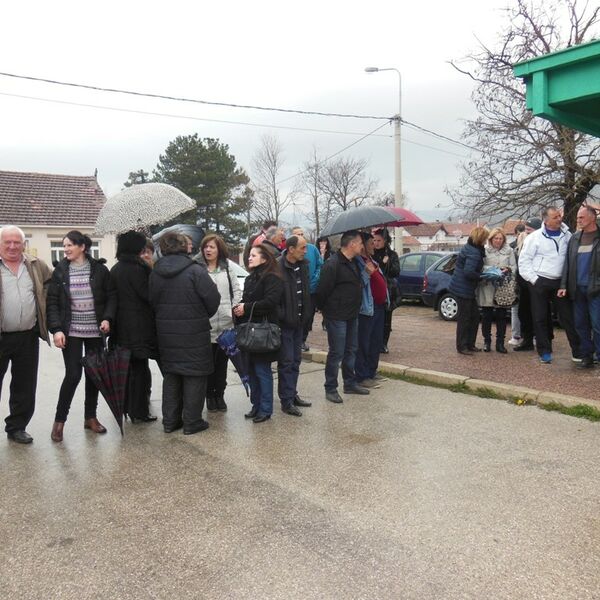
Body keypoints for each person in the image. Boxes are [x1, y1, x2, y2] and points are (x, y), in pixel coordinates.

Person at [47, 231, 116, 442]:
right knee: (73, 375)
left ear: (82, 247)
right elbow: (52, 302)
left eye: (69, 245)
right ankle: (59, 422)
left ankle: (90, 417)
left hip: (95, 331)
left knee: (93, 375)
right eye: (64, 245)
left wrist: (107, 318)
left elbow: (111, 297)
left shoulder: (100, 270)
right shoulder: (60, 271)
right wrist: (56, 329)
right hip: (71, 331)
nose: (65, 249)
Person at [149, 232, 220, 434]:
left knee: (171, 375)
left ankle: (170, 421)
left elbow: (152, 302)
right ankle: (192, 421)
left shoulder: (155, 273)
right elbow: (213, 300)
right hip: (194, 333)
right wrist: (200, 315)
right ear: (183, 247)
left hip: (166, 334)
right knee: (195, 375)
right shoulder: (195, 271)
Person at [0, 226, 52, 444]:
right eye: (7, 242)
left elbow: (52, 285)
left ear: (24, 244)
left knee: (25, 385)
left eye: (17, 242)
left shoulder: (36, 265)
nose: (12, 246)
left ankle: (17, 427)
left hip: (27, 336)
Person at [518, 207, 580, 364]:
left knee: (567, 317)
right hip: (540, 281)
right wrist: (534, 280)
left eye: (559, 216)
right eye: (555, 217)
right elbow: (524, 262)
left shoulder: (567, 235)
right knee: (540, 318)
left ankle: (578, 351)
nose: (559, 219)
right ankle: (544, 351)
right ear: (545, 220)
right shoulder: (534, 238)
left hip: (560, 282)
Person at [109, 231, 158, 423]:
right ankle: (139, 411)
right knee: (140, 370)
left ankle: (127, 407)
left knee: (126, 371)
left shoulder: (115, 269)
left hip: (120, 328)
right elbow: (148, 295)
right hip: (139, 328)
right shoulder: (139, 269)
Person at [233, 245, 283, 423]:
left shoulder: (273, 278)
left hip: (263, 332)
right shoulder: (250, 278)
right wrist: (238, 308)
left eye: (253, 255)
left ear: (264, 258)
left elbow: (270, 302)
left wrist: (246, 307)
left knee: (262, 371)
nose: (249, 258)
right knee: (251, 371)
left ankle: (266, 409)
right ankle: (256, 405)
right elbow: (247, 300)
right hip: (249, 332)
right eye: (249, 255)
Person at [316, 230, 365, 403]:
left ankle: (349, 383)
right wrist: (326, 312)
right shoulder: (332, 264)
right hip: (336, 316)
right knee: (337, 352)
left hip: (352, 314)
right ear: (352, 244)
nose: (362, 246)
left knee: (351, 350)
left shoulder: (354, 262)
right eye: (360, 243)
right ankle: (330, 387)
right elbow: (322, 291)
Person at [195, 234, 242, 411]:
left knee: (222, 364)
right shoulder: (198, 269)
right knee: (208, 364)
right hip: (206, 324)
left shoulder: (227, 267)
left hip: (226, 324)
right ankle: (209, 396)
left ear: (219, 249)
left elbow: (236, 290)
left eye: (212, 247)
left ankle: (219, 395)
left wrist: (233, 307)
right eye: (205, 247)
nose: (208, 250)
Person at [559, 204, 600, 368]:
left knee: (597, 324)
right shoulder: (575, 238)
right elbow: (567, 263)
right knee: (580, 324)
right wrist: (563, 285)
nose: (578, 220)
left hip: (596, 289)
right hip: (577, 289)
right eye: (577, 218)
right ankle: (586, 355)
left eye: (581, 217)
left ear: (592, 217)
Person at [277, 235, 312, 416]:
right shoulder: (278, 267)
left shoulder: (303, 265)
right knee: (286, 362)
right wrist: (282, 315)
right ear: (291, 249)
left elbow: (305, 292)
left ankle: (292, 393)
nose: (305, 251)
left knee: (296, 361)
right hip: (285, 324)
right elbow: (273, 296)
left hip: (299, 322)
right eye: (302, 248)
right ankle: (286, 400)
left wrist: (307, 314)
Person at [449, 226, 489, 355]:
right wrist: (483, 276)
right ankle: (462, 346)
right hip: (464, 288)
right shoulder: (474, 252)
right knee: (465, 318)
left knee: (474, 317)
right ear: (480, 238)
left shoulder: (469, 247)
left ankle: (469, 344)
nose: (486, 241)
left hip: (463, 287)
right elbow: (469, 272)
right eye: (485, 238)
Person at [476, 228, 517, 353]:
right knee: (487, 315)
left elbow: (514, 267)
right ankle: (487, 342)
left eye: (500, 238)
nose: (498, 241)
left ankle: (500, 343)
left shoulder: (509, 250)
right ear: (491, 239)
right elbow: (480, 266)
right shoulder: (484, 250)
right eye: (496, 238)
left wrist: (507, 269)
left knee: (501, 316)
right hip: (487, 285)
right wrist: (492, 269)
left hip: (502, 287)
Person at [355, 232, 388, 388]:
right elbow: (358, 284)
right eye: (370, 243)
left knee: (376, 341)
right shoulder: (358, 262)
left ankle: (371, 371)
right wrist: (366, 273)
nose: (374, 245)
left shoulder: (372, 260)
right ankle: (361, 376)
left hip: (379, 306)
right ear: (362, 246)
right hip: (367, 308)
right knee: (364, 342)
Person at [290, 226, 323, 352]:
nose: (301, 236)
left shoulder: (312, 249)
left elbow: (320, 265)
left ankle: (303, 339)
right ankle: (296, 340)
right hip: (296, 291)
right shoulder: (290, 252)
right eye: (297, 234)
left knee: (308, 316)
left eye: (302, 234)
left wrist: (315, 279)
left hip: (311, 290)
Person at [513, 217, 542, 352]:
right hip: (523, 284)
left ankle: (543, 340)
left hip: (536, 283)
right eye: (526, 230)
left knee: (539, 314)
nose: (526, 232)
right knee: (523, 313)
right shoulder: (523, 242)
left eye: (529, 230)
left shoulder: (540, 243)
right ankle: (527, 340)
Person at [372, 229, 400, 354]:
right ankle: (375, 342)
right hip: (375, 290)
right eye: (374, 240)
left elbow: (396, 272)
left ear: (385, 241)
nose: (376, 243)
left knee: (387, 319)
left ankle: (383, 343)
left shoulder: (392, 255)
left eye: (379, 240)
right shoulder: (371, 254)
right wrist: (381, 264)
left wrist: (388, 263)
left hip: (388, 290)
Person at [508, 223, 526, 345]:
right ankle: (518, 335)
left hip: (519, 281)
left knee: (516, 310)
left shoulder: (512, 247)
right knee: (516, 309)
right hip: (520, 281)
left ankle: (518, 335)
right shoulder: (513, 248)